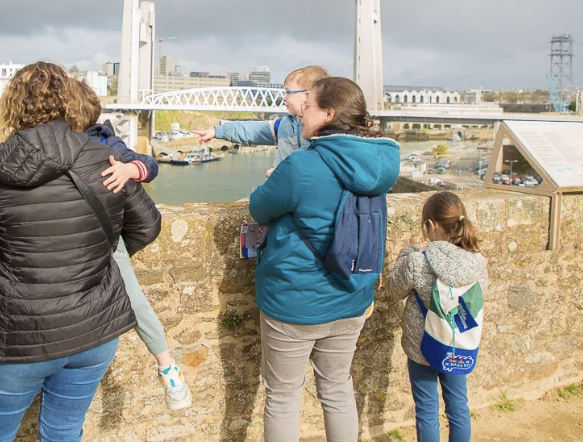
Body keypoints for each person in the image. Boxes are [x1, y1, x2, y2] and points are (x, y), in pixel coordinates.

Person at [0, 62, 162, 442]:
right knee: (64, 432)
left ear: (13, 105)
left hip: (17, 334)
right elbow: (147, 226)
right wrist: (97, 257)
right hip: (94, 328)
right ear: (69, 102)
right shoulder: (103, 159)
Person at [248, 77, 400, 442]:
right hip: (351, 298)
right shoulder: (379, 164)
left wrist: (275, 180)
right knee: (336, 389)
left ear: (328, 114)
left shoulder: (301, 166)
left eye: (309, 105)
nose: (301, 112)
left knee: (283, 397)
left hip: (295, 302)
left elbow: (258, 208)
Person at [67, 80, 192, 409]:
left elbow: (150, 166)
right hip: (83, 234)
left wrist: (128, 168)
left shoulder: (106, 140)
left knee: (135, 301)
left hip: (104, 239)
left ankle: (168, 367)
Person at [382, 192, 488, 442]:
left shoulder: (419, 262)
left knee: (427, 412)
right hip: (458, 345)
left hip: (423, 348)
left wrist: (407, 253)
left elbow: (393, 290)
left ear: (429, 226)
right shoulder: (478, 262)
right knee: (459, 407)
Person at [191, 65, 329, 177]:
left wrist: (284, 170)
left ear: (307, 96)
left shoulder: (327, 129)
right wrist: (217, 131)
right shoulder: (284, 125)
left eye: (288, 92)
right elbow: (253, 130)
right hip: (283, 190)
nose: (284, 98)